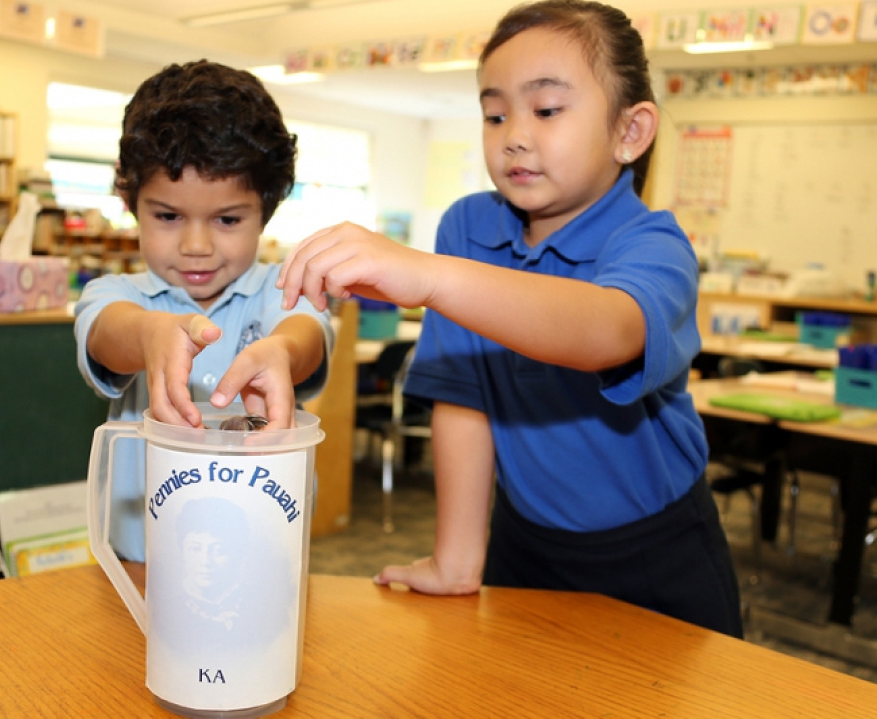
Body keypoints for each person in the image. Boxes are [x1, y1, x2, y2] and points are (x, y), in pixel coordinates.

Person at [278, 0, 743, 637]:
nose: (514, 135)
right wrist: (456, 558)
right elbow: (463, 393)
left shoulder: (652, 242)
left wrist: (433, 277)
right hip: (523, 540)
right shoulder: (469, 228)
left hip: (655, 551)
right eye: (495, 114)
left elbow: (607, 330)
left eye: (546, 110)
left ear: (630, 132)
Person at [75, 60, 332, 562]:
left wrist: (282, 351)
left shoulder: (284, 289)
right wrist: (149, 334)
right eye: (168, 216)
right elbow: (107, 334)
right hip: (140, 563)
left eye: (227, 219)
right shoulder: (115, 294)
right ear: (130, 202)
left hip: (262, 561)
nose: (196, 246)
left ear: (267, 210)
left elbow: (304, 335)